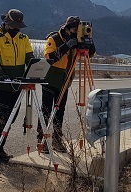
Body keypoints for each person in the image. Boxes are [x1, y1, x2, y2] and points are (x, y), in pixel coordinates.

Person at [37, 16, 95, 153]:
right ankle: (42, 140)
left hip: (65, 80)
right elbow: (50, 57)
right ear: (67, 28)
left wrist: (88, 41)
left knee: (59, 112)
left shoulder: (77, 41)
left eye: (77, 29)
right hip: (50, 79)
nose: (75, 32)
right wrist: (67, 46)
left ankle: (57, 140)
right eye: (74, 29)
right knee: (46, 110)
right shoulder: (54, 39)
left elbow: (90, 54)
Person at [0, 9, 34, 164]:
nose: (16, 29)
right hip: (0, 86)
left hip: (17, 86)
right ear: (6, 23)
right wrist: (0, 76)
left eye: (18, 27)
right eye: (13, 26)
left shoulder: (23, 39)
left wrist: (35, 69)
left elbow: (30, 58)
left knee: (9, 120)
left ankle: (0, 148)